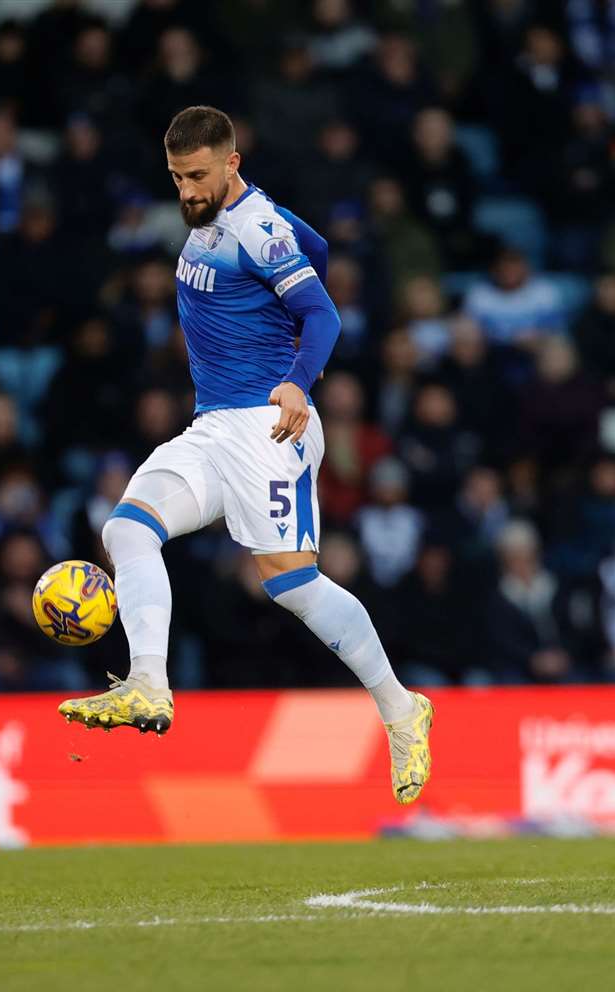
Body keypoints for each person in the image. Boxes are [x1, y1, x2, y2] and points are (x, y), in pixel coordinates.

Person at [56, 107, 433, 805]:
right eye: (175, 178)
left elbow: (323, 312)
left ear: (231, 163)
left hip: (269, 424)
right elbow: (315, 245)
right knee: (127, 529)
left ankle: (402, 709)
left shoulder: (257, 230)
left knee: (290, 584)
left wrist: (296, 375)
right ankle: (147, 685)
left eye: (197, 176)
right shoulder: (235, 220)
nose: (186, 192)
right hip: (212, 427)